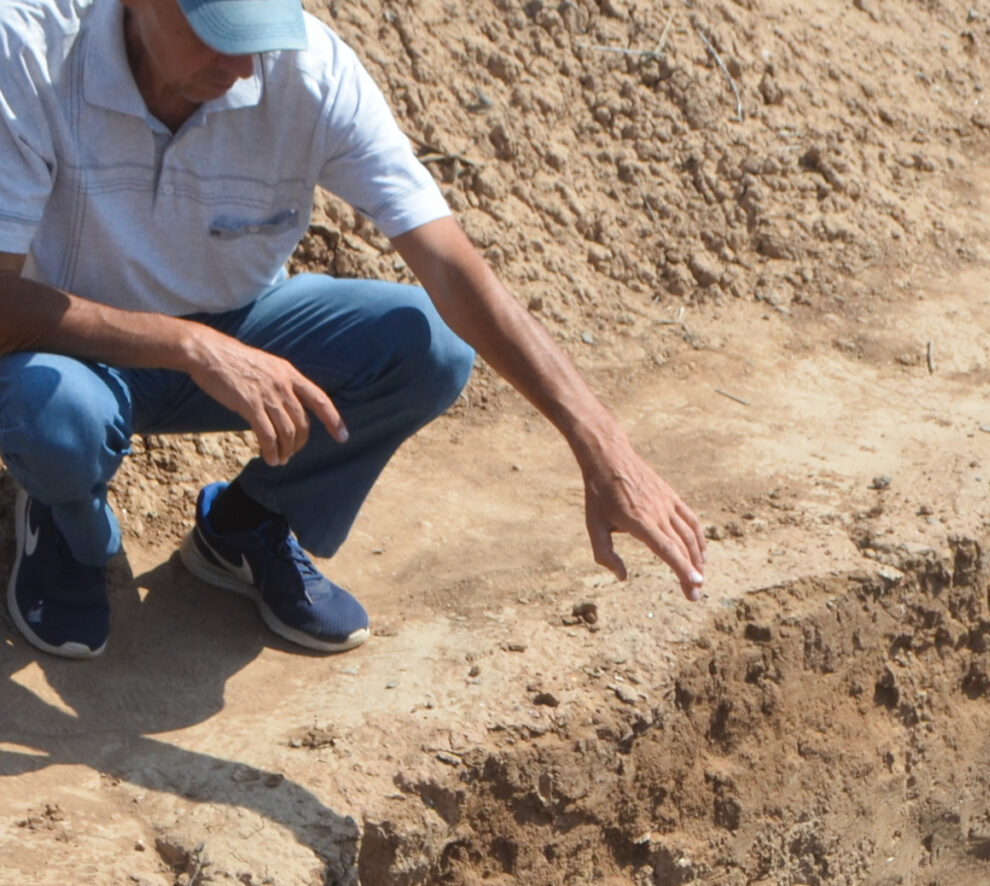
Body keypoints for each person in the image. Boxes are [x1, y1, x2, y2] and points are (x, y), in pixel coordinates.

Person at [0, 0, 705, 660]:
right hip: (70, 352)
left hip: (239, 331)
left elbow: (454, 271)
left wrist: (603, 447)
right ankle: (63, 518)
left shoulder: (309, 73)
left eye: (261, 30)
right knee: (53, 413)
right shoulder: (29, 50)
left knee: (424, 341)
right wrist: (192, 347)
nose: (243, 66)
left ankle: (247, 525)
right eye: (220, 30)